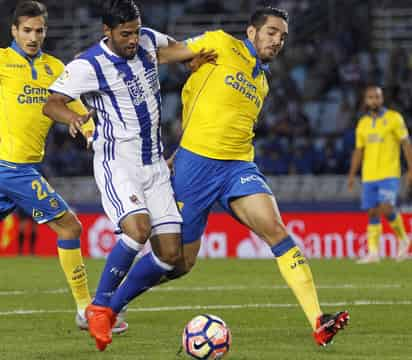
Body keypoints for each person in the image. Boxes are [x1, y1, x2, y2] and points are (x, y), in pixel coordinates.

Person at [166, 6, 349, 347]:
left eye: (282, 36)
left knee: (277, 232)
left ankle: (318, 321)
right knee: (179, 262)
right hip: (197, 167)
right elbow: (167, 55)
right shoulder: (219, 45)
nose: (278, 41)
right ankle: (115, 297)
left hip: (237, 168)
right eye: (271, 32)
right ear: (251, 32)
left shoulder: (261, 81)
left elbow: (224, 122)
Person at [43, 0, 215, 351]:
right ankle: (100, 306)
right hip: (117, 160)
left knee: (171, 255)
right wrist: (73, 118)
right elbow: (52, 103)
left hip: (154, 164)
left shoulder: (149, 41)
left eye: (136, 30)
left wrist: (191, 59)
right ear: (107, 32)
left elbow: (171, 50)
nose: (133, 39)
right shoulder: (88, 65)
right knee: (138, 231)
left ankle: (107, 308)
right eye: (125, 34)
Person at [0, 0, 117, 332]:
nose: (33, 37)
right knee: (70, 228)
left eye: (39, 30)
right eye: (26, 31)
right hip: (11, 168)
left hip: (23, 168)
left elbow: (79, 111)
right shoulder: (2, 62)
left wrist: (92, 133)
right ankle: (85, 309)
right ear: (14, 31)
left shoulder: (54, 68)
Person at [348, 85, 412, 263]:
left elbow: (406, 144)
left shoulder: (394, 118)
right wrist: (352, 174)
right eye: (370, 97)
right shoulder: (363, 124)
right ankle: (374, 253)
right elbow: (359, 151)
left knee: (385, 207)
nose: (374, 100)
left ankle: (403, 238)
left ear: (382, 99)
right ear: (365, 100)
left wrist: (411, 169)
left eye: (377, 97)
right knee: (372, 212)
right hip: (369, 175)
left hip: (389, 172)